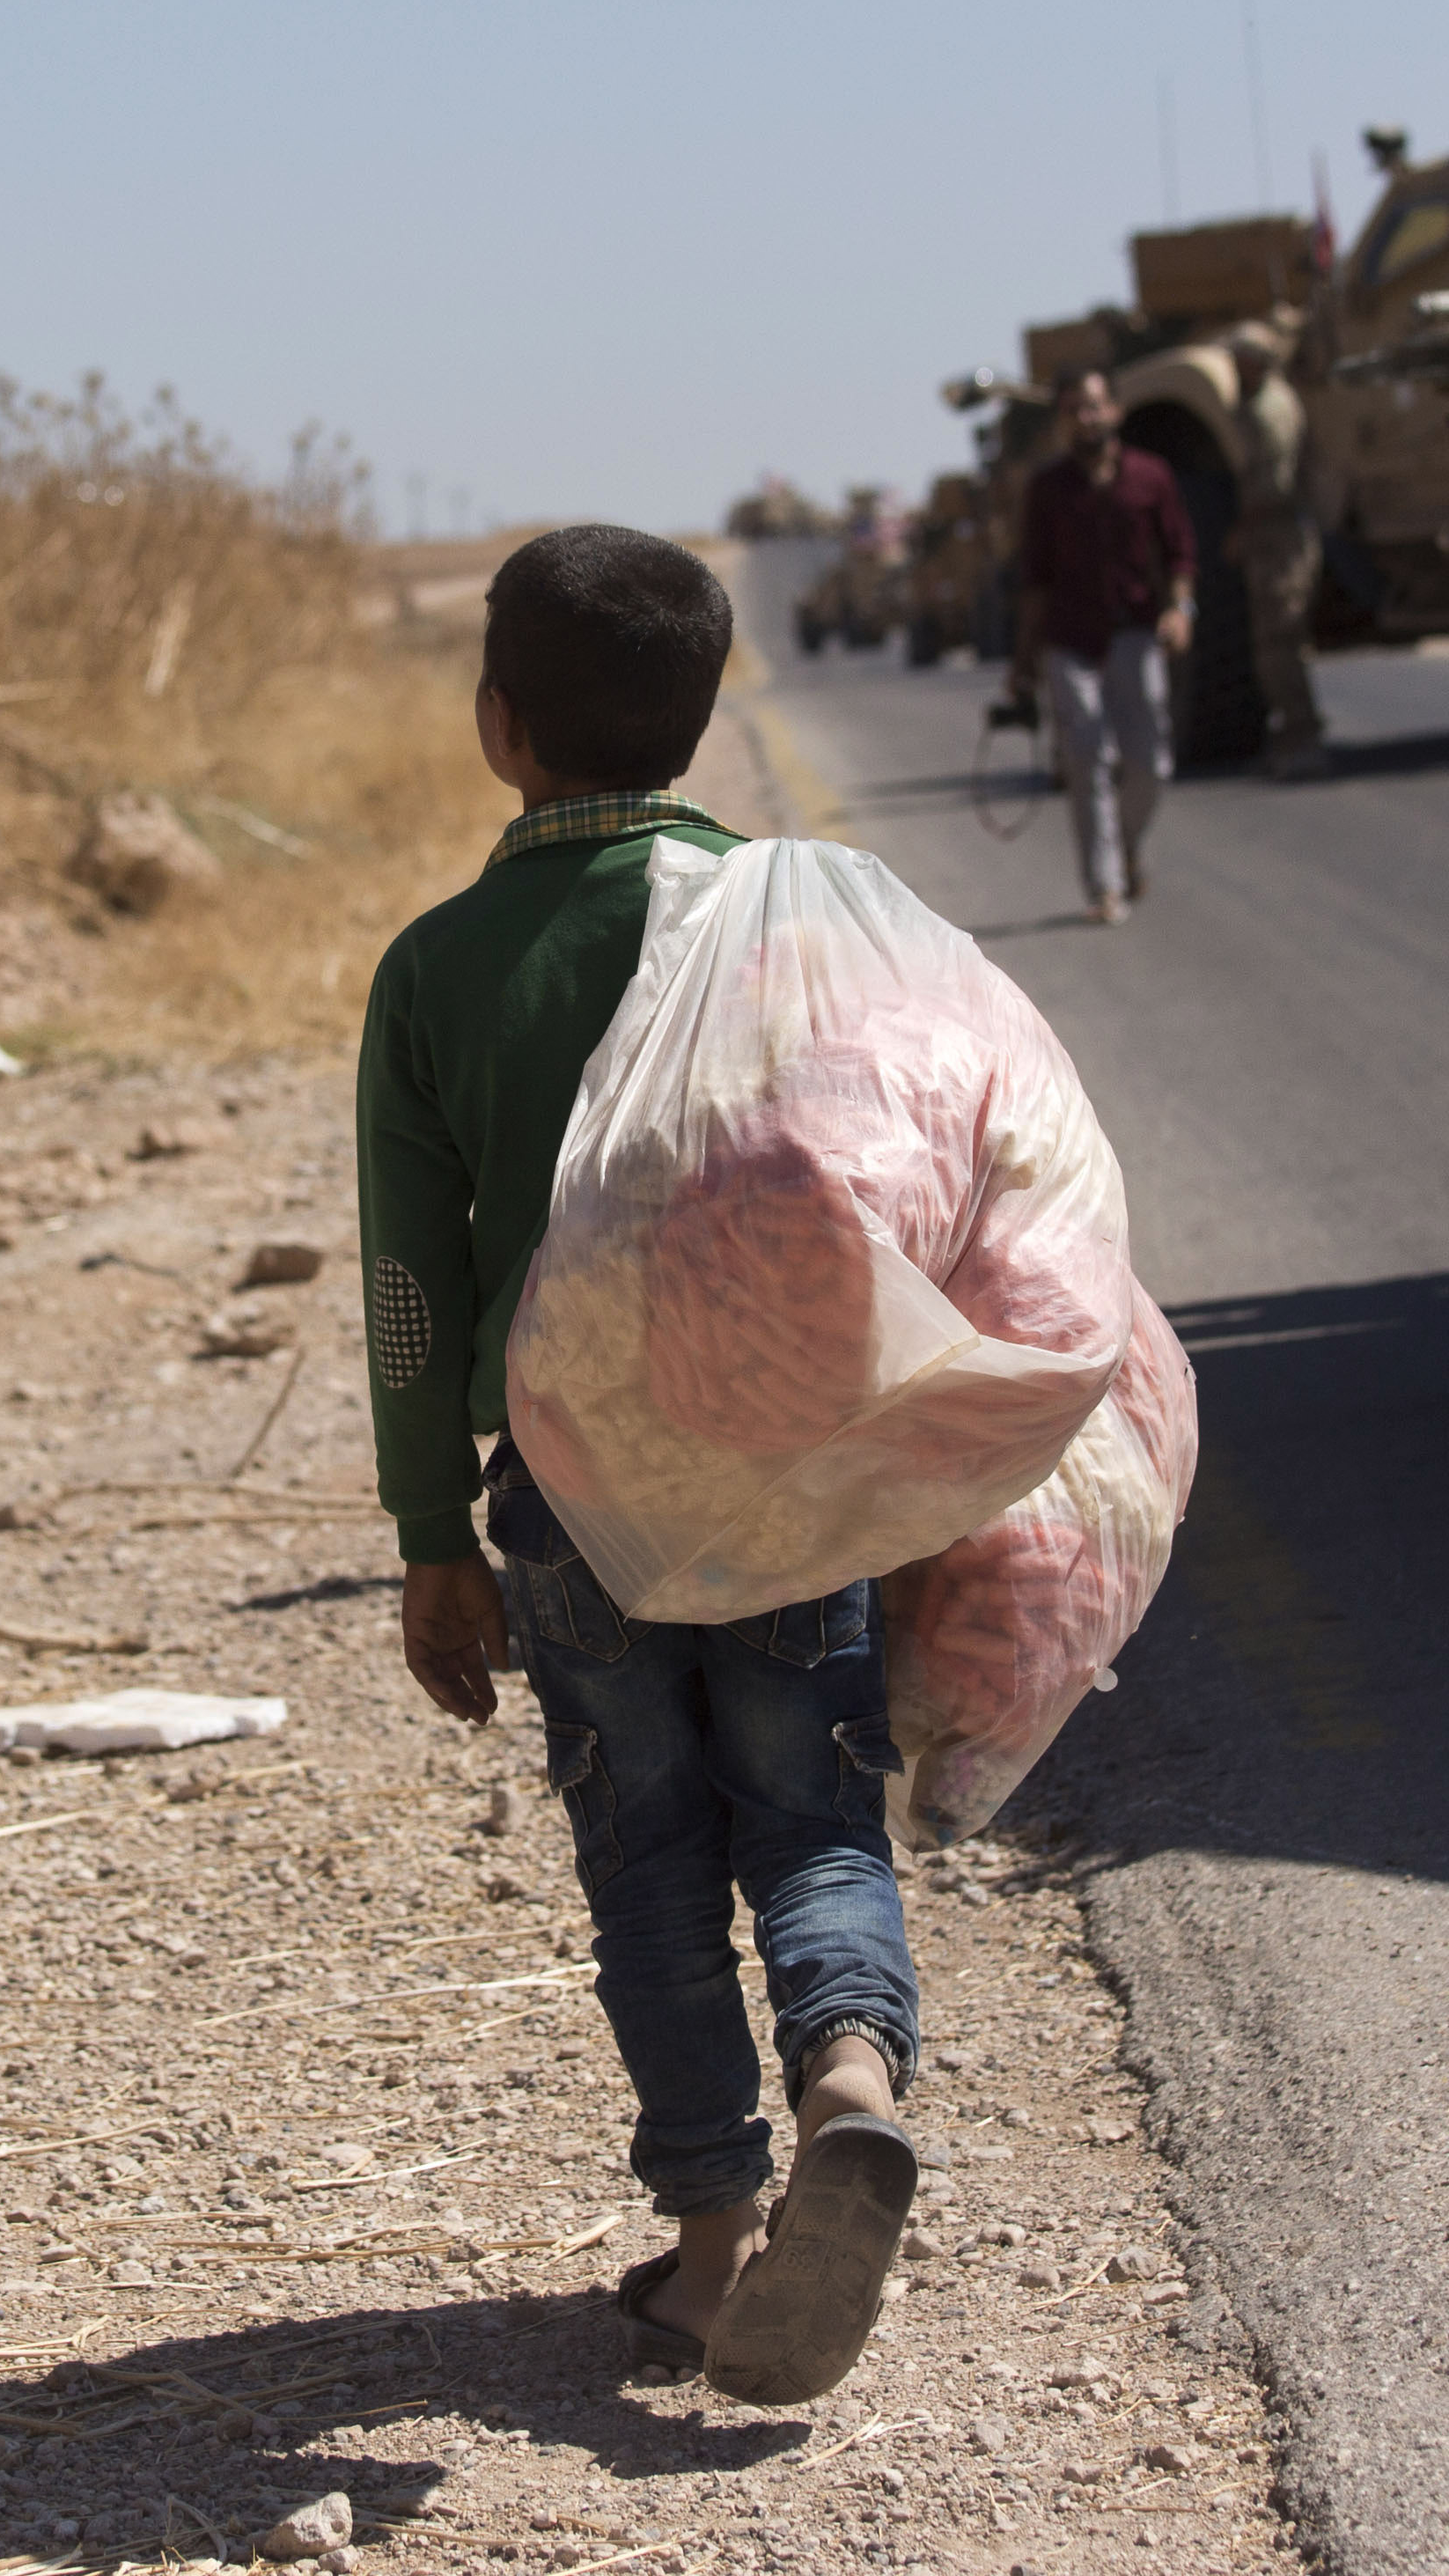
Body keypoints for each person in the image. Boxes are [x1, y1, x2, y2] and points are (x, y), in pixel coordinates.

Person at [357, 526, 924, 2408]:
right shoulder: (779, 918)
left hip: (575, 1494)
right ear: (698, 717)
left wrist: (434, 1537)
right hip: (785, 1469)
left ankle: (709, 2254)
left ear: (498, 727)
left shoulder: (439, 971)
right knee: (819, 1817)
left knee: (651, 1862)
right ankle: (851, 2072)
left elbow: (413, 1287)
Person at [1012, 371, 1192, 921]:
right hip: (1070, 642)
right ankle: (1105, 887)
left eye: (1093, 407)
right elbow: (1034, 583)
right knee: (1086, 761)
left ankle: (1126, 845)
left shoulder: (1150, 477)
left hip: (1135, 635)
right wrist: (1022, 665)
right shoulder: (1048, 490)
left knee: (1149, 764)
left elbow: (1181, 553)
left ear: (1114, 411)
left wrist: (1180, 610)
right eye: (1073, 410)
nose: (1085, 418)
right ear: (1063, 422)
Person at [1212, 320, 1329, 783]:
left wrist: (1243, 528)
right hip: (1272, 538)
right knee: (1273, 642)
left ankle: (1304, 735)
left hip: (1282, 538)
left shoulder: (1270, 409)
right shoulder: (1255, 404)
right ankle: (1293, 733)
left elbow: (1274, 487)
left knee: (1282, 640)